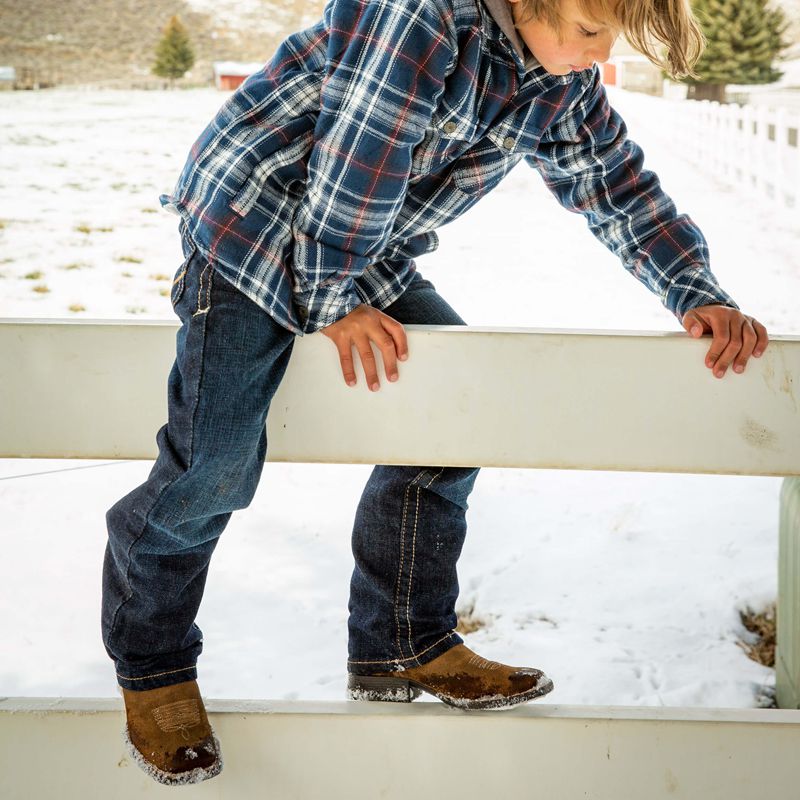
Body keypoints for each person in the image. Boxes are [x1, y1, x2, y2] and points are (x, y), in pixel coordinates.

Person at [102, 0, 769, 785]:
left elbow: (615, 181)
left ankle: (402, 641)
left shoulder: (557, 80)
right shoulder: (420, 20)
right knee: (213, 465)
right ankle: (153, 666)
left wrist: (694, 289)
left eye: (610, 41)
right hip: (254, 224)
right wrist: (334, 296)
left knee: (456, 421)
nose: (597, 56)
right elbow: (359, 156)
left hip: (355, 244)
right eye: (590, 33)